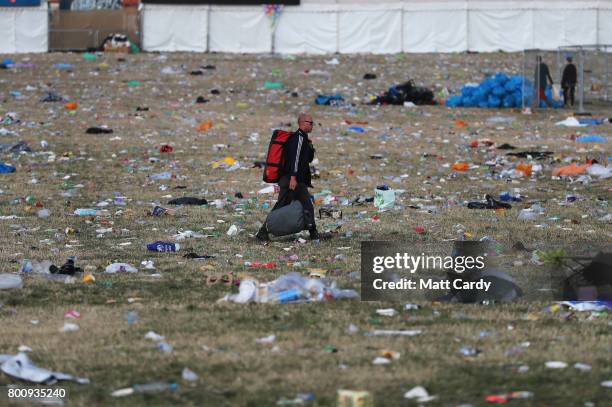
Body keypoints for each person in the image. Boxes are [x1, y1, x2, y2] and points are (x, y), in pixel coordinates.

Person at [256, 113, 319, 241]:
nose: (312, 125)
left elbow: (309, 159)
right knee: (282, 205)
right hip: (291, 180)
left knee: (307, 205)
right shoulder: (298, 138)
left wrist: (311, 147)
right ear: (303, 123)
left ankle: (313, 232)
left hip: (297, 181)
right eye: (310, 123)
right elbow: (294, 160)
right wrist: (293, 177)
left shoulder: (305, 139)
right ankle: (263, 231)